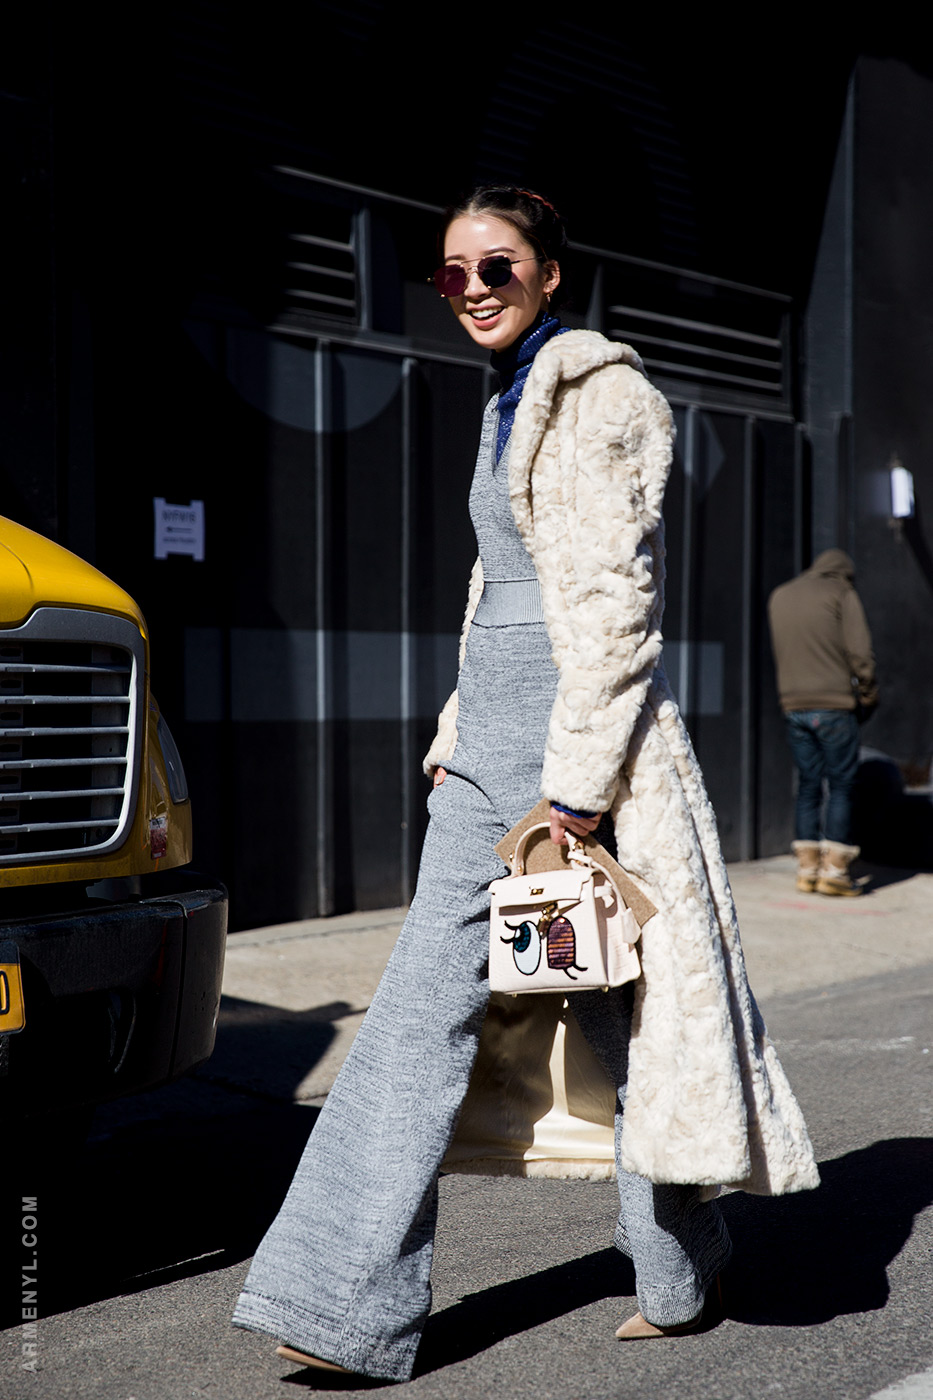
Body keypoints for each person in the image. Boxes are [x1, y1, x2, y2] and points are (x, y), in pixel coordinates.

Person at [233, 186, 819, 1381]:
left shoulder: (602, 394)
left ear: (552, 270)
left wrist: (580, 789)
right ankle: (346, 1304)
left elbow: (613, 613)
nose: (473, 289)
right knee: (411, 1023)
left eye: (496, 264)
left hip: (579, 758)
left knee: (620, 1016)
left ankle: (678, 1259)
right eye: (451, 274)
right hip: (488, 756)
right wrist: (458, 727)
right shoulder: (507, 396)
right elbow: (493, 589)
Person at [767, 549, 878, 896]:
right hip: (834, 704)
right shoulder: (841, 593)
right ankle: (835, 871)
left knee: (809, 784)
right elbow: (860, 652)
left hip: (794, 705)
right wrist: (869, 691)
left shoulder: (781, 595)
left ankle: (807, 868)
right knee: (842, 785)